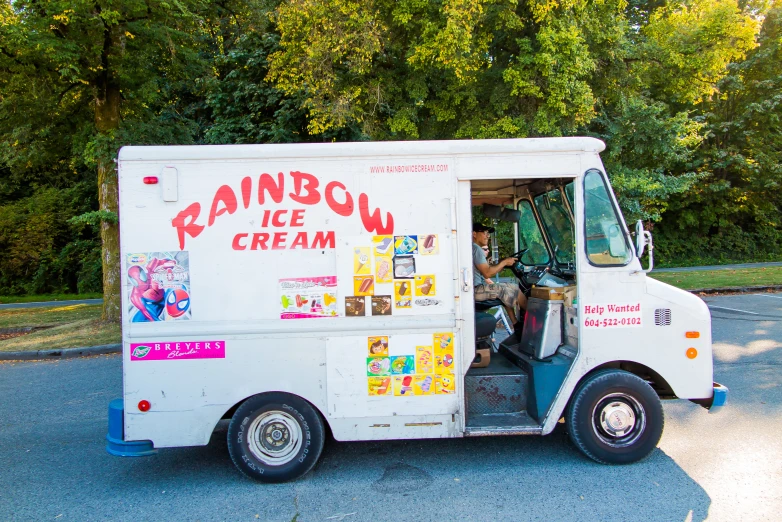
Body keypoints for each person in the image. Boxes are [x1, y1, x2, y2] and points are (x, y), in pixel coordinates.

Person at [472, 223, 527, 326]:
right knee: (515, 289)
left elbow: (485, 270)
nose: (487, 235)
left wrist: (501, 264)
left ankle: (516, 325)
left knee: (505, 289)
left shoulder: (470, 248)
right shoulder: (476, 249)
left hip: (472, 290)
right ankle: (535, 321)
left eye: (488, 233)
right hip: (475, 291)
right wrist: (505, 262)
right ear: (474, 234)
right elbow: (487, 273)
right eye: (484, 232)